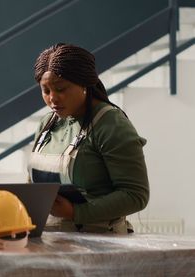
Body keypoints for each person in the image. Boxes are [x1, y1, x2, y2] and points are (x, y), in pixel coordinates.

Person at [27, 43, 149, 234]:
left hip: (100, 245)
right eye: (46, 90)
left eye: (61, 89)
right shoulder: (46, 124)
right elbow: (32, 186)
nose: (53, 98)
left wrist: (76, 212)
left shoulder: (110, 124)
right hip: (50, 240)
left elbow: (135, 195)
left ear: (84, 83)